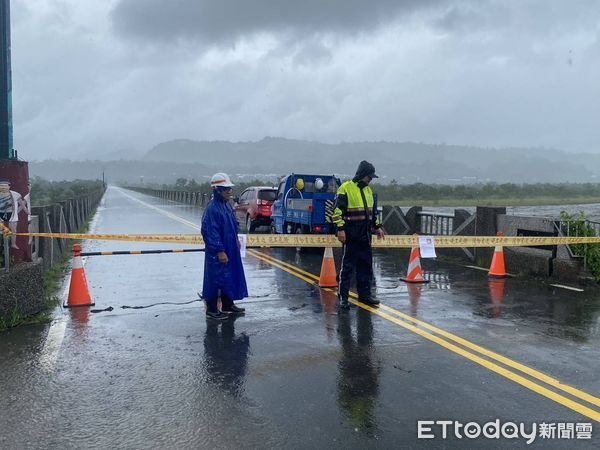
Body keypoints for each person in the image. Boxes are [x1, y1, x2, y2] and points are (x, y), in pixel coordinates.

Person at [332, 161, 385, 309]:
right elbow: (337, 213)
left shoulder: (368, 191)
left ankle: (365, 296)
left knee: (365, 267)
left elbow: (372, 213)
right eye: (369, 177)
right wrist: (340, 229)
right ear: (362, 175)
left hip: (365, 236)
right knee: (347, 268)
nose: (371, 180)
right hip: (351, 235)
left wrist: (378, 227)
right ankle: (343, 297)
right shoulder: (346, 188)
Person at [201, 172, 248, 320]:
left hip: (230, 247)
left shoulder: (226, 206)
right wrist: (220, 250)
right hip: (218, 251)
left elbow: (232, 225)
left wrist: (236, 240)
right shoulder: (212, 209)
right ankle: (212, 309)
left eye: (229, 188)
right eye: (225, 188)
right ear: (217, 190)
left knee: (230, 276)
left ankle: (228, 304)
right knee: (215, 279)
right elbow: (210, 232)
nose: (229, 191)